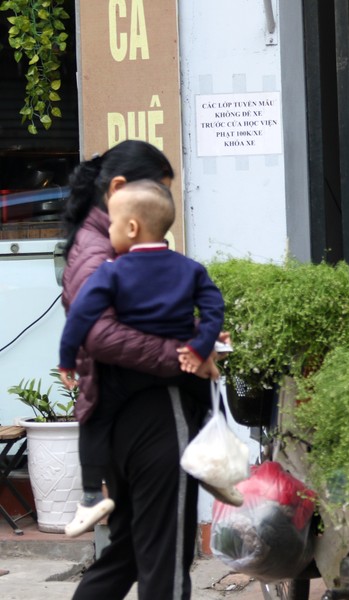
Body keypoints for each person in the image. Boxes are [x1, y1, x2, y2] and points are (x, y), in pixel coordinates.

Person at [60, 140, 222, 600]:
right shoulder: (103, 252)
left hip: (123, 412)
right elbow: (97, 335)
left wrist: (197, 337)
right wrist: (183, 354)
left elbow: (141, 314)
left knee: (132, 547)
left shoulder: (102, 244)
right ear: (118, 191)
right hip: (150, 410)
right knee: (166, 559)